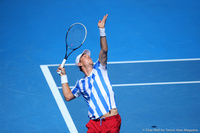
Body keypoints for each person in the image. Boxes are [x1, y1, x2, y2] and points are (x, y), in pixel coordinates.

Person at [57, 14, 121, 133]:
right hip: (94, 124)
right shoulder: (80, 83)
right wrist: (63, 76)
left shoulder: (100, 68)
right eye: (85, 57)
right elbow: (67, 96)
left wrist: (102, 29)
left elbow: (104, 50)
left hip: (111, 120)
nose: (89, 57)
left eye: (89, 56)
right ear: (80, 64)